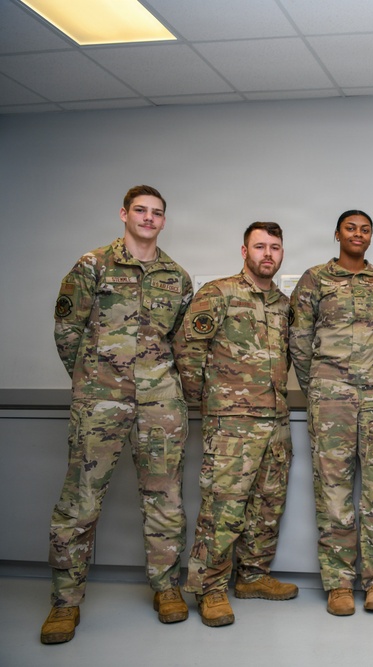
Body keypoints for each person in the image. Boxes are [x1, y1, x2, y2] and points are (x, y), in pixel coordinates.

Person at [43, 185, 193, 644]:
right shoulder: (92, 265)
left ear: (164, 221)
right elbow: (67, 329)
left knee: (165, 498)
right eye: (141, 211)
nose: (149, 219)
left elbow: (182, 344)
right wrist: (91, 382)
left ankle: (166, 588)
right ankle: (65, 603)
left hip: (160, 403)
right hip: (100, 401)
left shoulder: (177, 277)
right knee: (81, 500)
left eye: (157, 213)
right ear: (124, 214)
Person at [173, 222, 298, 627]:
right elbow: (188, 350)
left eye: (274, 247)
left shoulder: (283, 303)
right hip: (232, 425)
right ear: (244, 251)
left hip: (276, 420)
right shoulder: (219, 293)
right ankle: (210, 589)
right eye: (259, 246)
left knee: (267, 504)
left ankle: (253, 576)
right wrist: (209, 402)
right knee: (223, 509)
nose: (268, 254)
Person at [290, 210, 373, 616]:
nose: (358, 234)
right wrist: (320, 386)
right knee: (333, 492)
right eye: (350, 228)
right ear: (337, 234)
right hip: (330, 398)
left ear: (371, 237)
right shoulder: (314, 280)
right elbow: (299, 340)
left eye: (365, 229)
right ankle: (338, 584)